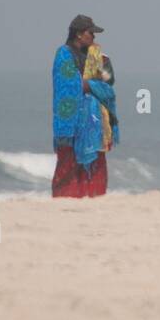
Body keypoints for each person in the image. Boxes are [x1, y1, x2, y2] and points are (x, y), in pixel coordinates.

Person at [51, 14, 119, 198]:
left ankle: (93, 199)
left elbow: (109, 87)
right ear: (79, 34)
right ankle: (65, 200)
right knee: (68, 166)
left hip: (95, 124)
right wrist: (92, 86)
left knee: (96, 165)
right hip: (71, 125)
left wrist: (90, 85)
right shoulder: (64, 54)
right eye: (91, 33)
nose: (94, 37)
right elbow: (70, 85)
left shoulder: (97, 57)